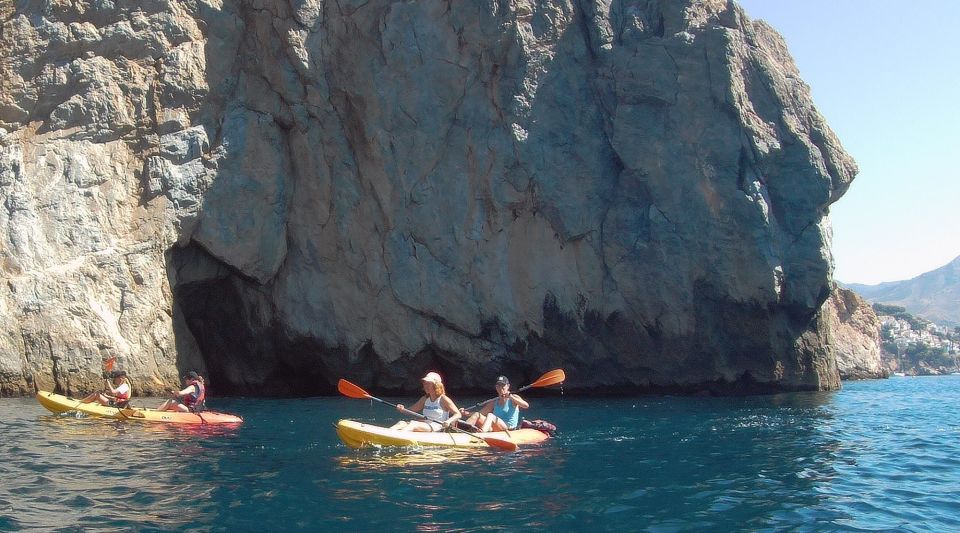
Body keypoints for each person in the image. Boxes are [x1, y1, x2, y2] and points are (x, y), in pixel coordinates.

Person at [389, 371, 462, 432]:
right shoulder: (425, 399)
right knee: (401, 423)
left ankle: (399, 436)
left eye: (428, 384)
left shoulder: (444, 399)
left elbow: (458, 414)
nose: (425, 386)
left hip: (437, 427)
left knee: (413, 424)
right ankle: (387, 433)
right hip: (424, 425)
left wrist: (448, 421)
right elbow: (410, 410)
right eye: (424, 383)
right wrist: (402, 409)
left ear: (436, 385)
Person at [462, 376, 529, 432]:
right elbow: (480, 413)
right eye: (498, 386)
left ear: (508, 386)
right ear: (496, 387)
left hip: (508, 428)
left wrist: (511, 397)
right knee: (477, 415)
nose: (500, 388)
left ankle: (482, 433)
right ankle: (463, 430)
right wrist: (464, 413)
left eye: (503, 385)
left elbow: (526, 405)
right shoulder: (494, 402)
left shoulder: (514, 398)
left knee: (490, 415)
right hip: (496, 427)